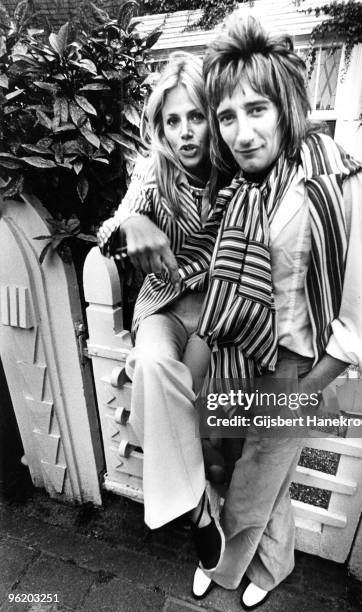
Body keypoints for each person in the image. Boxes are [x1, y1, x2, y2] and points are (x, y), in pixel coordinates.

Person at [191, 16, 362, 609]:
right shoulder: (245, 186)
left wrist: (307, 388)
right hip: (237, 351)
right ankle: (274, 565)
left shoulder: (347, 187)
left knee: (256, 471)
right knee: (245, 466)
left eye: (257, 109)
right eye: (227, 116)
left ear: (286, 104)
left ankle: (224, 567)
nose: (242, 132)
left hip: (294, 360)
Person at [97, 52, 226, 572]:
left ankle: (214, 492)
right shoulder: (154, 169)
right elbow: (110, 231)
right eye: (173, 121)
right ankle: (198, 509)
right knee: (151, 367)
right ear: (160, 127)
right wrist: (132, 228)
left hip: (218, 309)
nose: (185, 132)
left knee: (199, 400)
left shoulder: (235, 166)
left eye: (196, 116)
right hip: (164, 306)